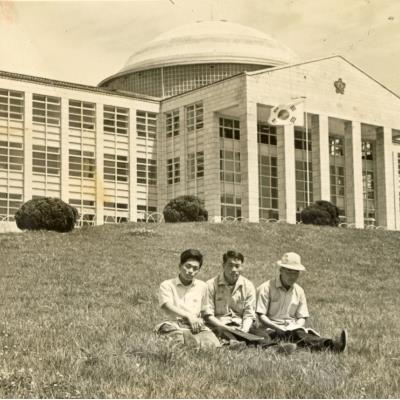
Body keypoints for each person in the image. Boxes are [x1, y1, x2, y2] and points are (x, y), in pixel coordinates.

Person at [256, 252, 347, 352]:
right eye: (289, 271)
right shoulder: (265, 288)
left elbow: (302, 317)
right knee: (295, 337)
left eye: (296, 272)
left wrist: (296, 326)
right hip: (271, 329)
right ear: (281, 270)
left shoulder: (299, 291)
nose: (292, 276)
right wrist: (277, 327)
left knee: (301, 335)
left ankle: (332, 345)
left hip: (292, 329)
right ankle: (280, 347)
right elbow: (261, 316)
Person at [204, 250, 294, 352]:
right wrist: (227, 327)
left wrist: (245, 329)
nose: (234, 270)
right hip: (220, 324)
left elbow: (249, 313)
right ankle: (233, 345)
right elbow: (208, 316)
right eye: (230, 265)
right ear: (223, 265)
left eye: (237, 266)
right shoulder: (210, 285)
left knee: (261, 335)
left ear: (242, 267)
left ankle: (273, 349)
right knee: (222, 332)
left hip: (241, 325)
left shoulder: (248, 286)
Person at [156, 249, 220, 348]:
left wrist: (200, 321)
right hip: (173, 324)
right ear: (180, 266)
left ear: (198, 270)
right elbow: (166, 306)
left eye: (195, 268)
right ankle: (189, 342)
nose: (191, 271)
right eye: (188, 266)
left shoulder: (202, 286)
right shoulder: (167, 285)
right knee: (176, 338)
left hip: (194, 325)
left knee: (213, 344)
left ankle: (196, 342)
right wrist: (189, 316)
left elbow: (204, 310)